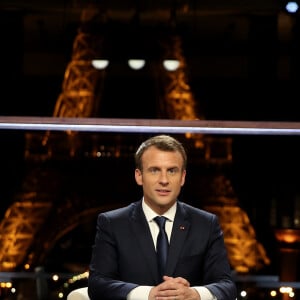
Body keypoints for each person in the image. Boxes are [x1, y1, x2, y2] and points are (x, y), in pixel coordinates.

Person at [88, 134, 237, 300]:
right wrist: (147, 294)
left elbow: (227, 286)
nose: (164, 180)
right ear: (139, 176)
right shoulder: (113, 223)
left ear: (182, 177)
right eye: (154, 170)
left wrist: (194, 294)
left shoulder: (206, 224)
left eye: (172, 171)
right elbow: (97, 284)